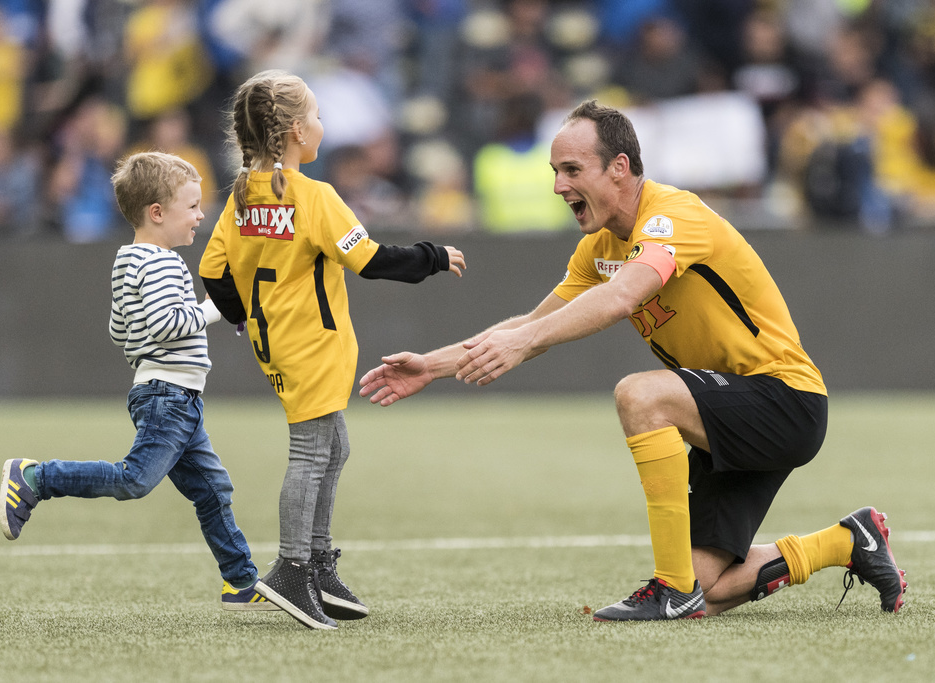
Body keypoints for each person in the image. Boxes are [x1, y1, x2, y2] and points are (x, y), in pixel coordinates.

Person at [359, 99, 907, 621]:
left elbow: (622, 297)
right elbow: (531, 326)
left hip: (784, 400)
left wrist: (524, 343)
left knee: (640, 394)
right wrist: (432, 365)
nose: (558, 186)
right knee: (708, 592)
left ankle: (667, 588)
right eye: (555, 171)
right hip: (725, 413)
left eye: (572, 169)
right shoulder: (597, 249)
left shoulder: (674, 215)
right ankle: (846, 541)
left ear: (619, 167)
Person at [198, 70, 466, 630]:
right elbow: (368, 258)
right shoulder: (314, 196)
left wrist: (247, 316)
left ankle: (317, 565)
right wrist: (433, 255)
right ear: (296, 131)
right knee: (312, 452)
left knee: (333, 446)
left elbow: (214, 271)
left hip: (276, 343)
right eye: (316, 116)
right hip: (314, 344)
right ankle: (292, 568)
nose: (321, 125)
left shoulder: (243, 196)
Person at [0, 151, 273, 612]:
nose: (201, 216)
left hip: (165, 393)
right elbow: (166, 324)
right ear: (157, 213)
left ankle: (241, 581)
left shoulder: (129, 259)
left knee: (212, 488)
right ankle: (34, 478)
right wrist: (219, 308)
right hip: (170, 396)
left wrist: (159, 340)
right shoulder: (164, 263)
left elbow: (119, 330)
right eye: (192, 207)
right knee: (134, 480)